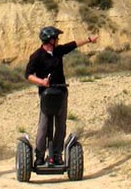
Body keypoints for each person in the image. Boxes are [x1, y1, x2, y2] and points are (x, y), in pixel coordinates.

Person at [24, 26, 98, 166]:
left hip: (61, 92)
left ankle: (57, 155)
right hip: (46, 94)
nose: (58, 40)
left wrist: (89, 40)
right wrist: (42, 82)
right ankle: (39, 156)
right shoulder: (37, 55)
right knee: (44, 125)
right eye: (56, 38)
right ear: (50, 40)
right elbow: (28, 75)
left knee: (61, 124)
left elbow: (73, 44)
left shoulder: (58, 51)